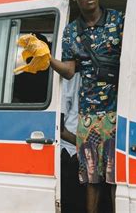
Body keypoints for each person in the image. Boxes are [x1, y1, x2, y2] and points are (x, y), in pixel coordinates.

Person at [49, 0, 136, 213]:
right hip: (88, 113)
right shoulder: (71, 32)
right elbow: (68, 71)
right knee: (91, 178)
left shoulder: (119, 20)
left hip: (120, 111)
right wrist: (46, 58)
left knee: (115, 175)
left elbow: (135, 56)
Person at [60, 72, 85, 213]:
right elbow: (59, 128)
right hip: (71, 150)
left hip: (88, 149)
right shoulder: (71, 78)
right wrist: (86, 145)